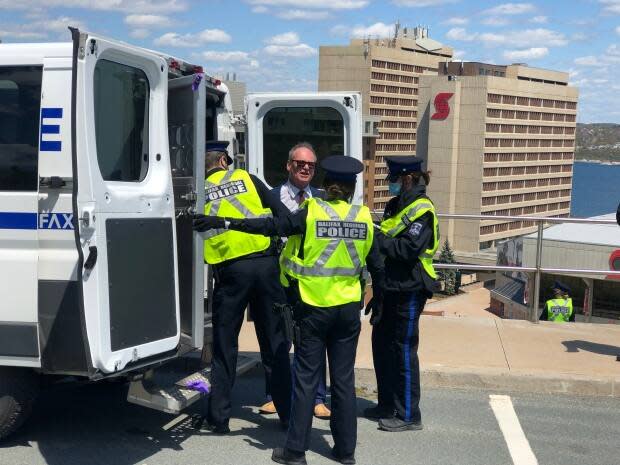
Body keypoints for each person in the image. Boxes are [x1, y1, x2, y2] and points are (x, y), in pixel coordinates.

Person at [194, 155, 385, 465]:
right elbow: (377, 264)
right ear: (352, 189)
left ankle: (294, 451)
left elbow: (272, 225)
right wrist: (380, 300)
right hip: (347, 312)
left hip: (311, 309)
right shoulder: (363, 217)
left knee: (307, 378)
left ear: (325, 186)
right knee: (342, 380)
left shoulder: (311, 212)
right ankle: (345, 451)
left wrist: (225, 223)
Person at [196, 140, 292, 433]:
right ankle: (288, 416)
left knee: (226, 346)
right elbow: (281, 216)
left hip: (230, 274)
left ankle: (219, 418)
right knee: (274, 343)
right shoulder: (247, 178)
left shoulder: (198, 193)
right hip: (265, 268)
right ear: (225, 160)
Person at [363, 156, 439, 433]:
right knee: (382, 345)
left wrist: (376, 238)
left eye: (392, 179)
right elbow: (384, 246)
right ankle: (386, 404)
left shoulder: (423, 210)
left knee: (403, 350)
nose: (388, 184)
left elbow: (407, 250)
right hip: (389, 286)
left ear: (407, 178)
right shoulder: (396, 205)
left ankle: (408, 413)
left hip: (410, 287)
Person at [259, 142, 331, 421]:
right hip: (281, 282)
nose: (305, 168)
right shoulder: (272, 197)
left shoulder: (323, 198)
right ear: (288, 165)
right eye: (300, 163)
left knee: (313, 342)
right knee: (277, 341)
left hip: (313, 284)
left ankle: (318, 398)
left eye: (310, 165)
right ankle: (274, 396)